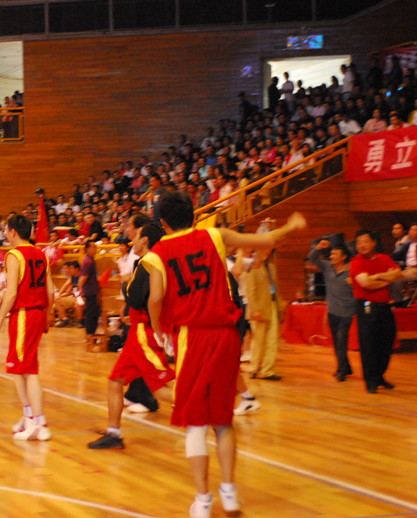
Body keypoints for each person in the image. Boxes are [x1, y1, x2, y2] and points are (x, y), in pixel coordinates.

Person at [143, 190, 306, 518]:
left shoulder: (158, 252)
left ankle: (203, 500)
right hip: (226, 335)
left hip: (193, 338)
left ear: (162, 223)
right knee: (223, 421)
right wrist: (291, 226)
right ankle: (229, 493)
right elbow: (265, 241)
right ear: (192, 214)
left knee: (196, 424)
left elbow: (155, 297)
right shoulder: (215, 236)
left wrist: (158, 326)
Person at [89, 221, 173, 449]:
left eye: (135, 237)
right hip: (139, 329)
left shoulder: (148, 263)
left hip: (144, 332)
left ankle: (205, 407)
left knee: (158, 387)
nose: (131, 240)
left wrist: (127, 285)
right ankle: (114, 433)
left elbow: (138, 297)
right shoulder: (155, 262)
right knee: (115, 380)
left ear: (144, 240)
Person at [0, 214, 55, 441]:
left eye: (5, 230)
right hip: (37, 313)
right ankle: (28, 415)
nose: (4, 233)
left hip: (24, 314)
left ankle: (38, 422)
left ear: (13, 232)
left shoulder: (14, 255)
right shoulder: (41, 254)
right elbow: (50, 291)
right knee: (18, 367)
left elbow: (12, 292)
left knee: (27, 369)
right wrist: (48, 316)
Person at [350, 230, 401, 394]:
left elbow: (397, 274)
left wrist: (376, 276)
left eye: (365, 241)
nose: (361, 245)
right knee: (369, 344)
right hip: (366, 306)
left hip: (385, 306)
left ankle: (379, 376)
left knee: (387, 341)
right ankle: (370, 380)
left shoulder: (384, 258)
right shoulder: (356, 262)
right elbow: (365, 283)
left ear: (373, 243)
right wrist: (385, 278)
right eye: (358, 242)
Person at [310, 240, 357, 382]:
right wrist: (318, 248)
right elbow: (312, 258)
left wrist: (354, 283)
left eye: (335, 254)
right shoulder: (327, 267)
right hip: (332, 312)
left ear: (344, 257)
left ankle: (341, 371)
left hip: (347, 313)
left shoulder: (351, 271)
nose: (331, 257)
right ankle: (346, 367)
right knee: (337, 342)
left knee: (341, 341)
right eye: (331, 254)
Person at [245, 248, 282, 381]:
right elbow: (250, 289)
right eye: (264, 250)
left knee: (272, 340)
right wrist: (255, 309)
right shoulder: (252, 266)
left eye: (268, 250)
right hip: (259, 308)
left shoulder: (271, 267)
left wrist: (279, 306)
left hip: (272, 305)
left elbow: (274, 288)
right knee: (258, 341)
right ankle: (254, 368)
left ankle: (267, 370)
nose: (267, 252)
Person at [78, 240, 101, 341]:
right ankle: (90, 335)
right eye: (93, 247)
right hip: (90, 291)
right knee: (91, 314)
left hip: (92, 290)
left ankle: (91, 334)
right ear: (87, 249)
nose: (95, 249)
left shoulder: (90, 260)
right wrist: (80, 289)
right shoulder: (88, 261)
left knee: (93, 313)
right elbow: (83, 277)